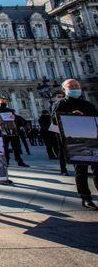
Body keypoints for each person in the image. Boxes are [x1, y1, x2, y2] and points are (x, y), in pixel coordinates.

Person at [51, 79, 98, 210]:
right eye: (71, 86)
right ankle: (85, 197)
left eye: (76, 85)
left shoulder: (87, 104)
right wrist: (70, 116)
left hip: (93, 138)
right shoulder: (60, 104)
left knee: (97, 169)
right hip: (74, 140)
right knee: (80, 169)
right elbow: (54, 121)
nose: (74, 88)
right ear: (64, 89)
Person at [0, 97, 29, 167]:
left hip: (12, 130)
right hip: (2, 131)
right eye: (1, 101)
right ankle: (6, 161)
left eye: (4, 101)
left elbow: (15, 118)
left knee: (16, 147)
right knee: (4, 147)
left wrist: (13, 117)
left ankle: (19, 161)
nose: (3, 102)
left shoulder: (10, 110)